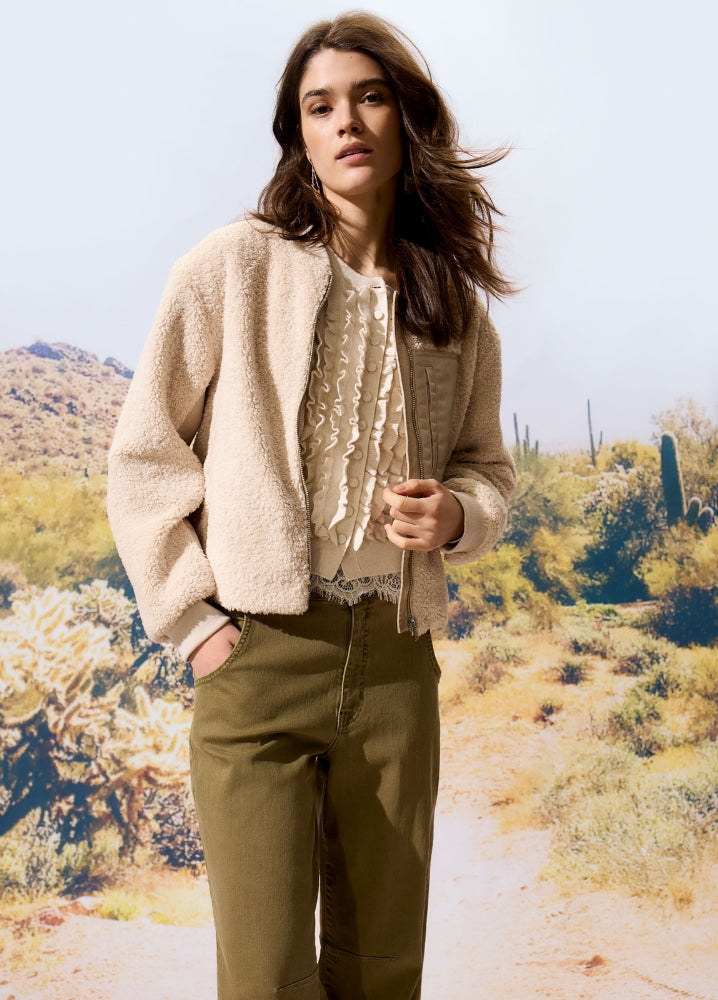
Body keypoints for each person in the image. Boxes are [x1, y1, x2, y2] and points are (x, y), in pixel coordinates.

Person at [108, 12, 516, 999]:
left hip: (394, 667)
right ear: (297, 133)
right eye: (319, 106)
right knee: (264, 976)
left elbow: (488, 470)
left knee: (382, 973)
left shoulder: (453, 307)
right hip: (258, 658)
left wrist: (458, 516)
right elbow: (144, 456)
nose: (346, 123)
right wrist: (194, 623)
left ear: (406, 117)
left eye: (369, 98)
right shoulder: (231, 267)